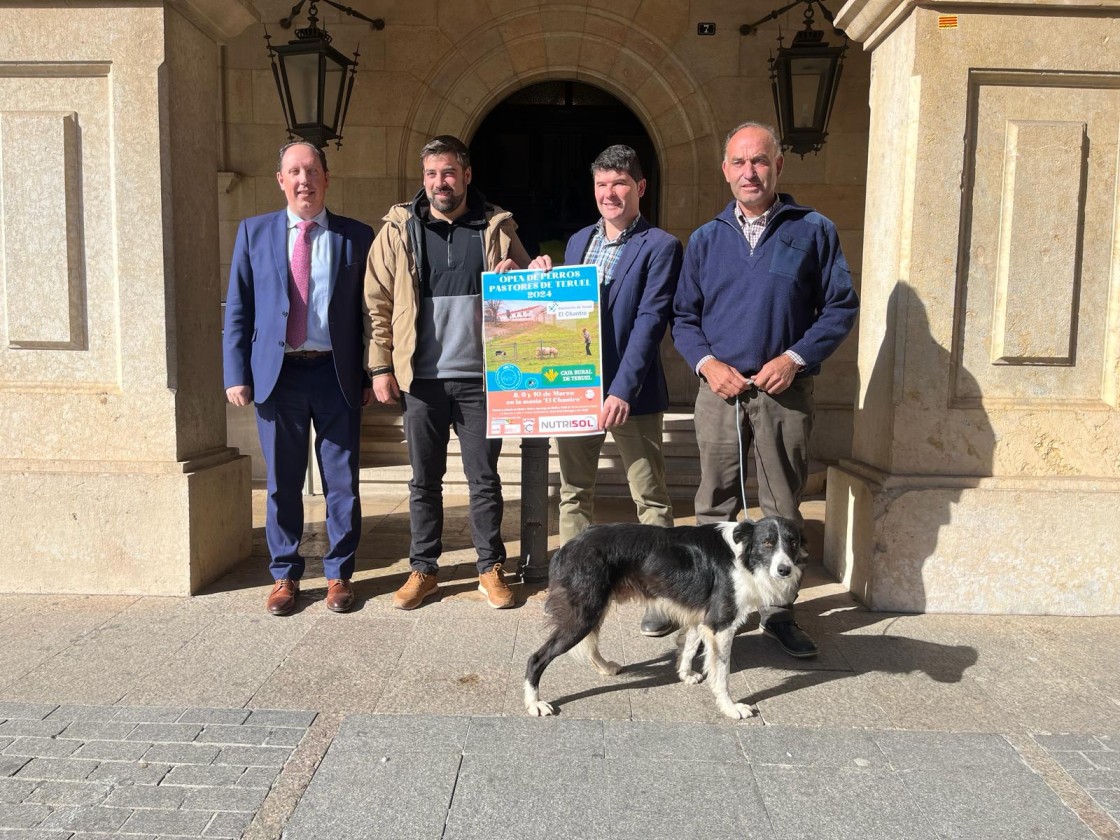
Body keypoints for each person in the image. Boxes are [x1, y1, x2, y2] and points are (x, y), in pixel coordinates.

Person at [672, 122, 859, 657]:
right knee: (715, 503)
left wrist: (796, 358)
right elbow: (684, 317)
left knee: (782, 505)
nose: (748, 172)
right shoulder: (707, 239)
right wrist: (708, 364)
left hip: (784, 390)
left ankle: (779, 613)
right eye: (738, 162)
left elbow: (840, 306)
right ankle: (704, 602)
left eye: (759, 161)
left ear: (778, 165)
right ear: (725, 170)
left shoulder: (813, 229)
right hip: (721, 390)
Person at [363, 135, 530, 610]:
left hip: (483, 379)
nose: (441, 183)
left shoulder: (496, 226)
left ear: (467, 175)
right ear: (424, 178)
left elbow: (531, 290)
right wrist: (380, 365)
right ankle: (423, 570)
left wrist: (525, 269)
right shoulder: (398, 230)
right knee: (423, 481)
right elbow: (376, 303)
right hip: (422, 381)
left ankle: (489, 568)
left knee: (484, 479)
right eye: (432, 174)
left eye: (449, 173)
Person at [528, 145, 682, 637]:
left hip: (630, 395)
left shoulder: (660, 245)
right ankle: (575, 587)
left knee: (650, 497)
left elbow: (649, 322)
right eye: (601, 185)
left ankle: (661, 593)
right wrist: (539, 284)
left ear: (640, 187)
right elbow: (565, 315)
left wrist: (621, 389)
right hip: (574, 390)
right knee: (574, 493)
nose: (609, 194)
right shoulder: (577, 242)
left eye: (618, 184)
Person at [224, 140, 374, 616]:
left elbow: (372, 313)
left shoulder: (357, 236)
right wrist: (236, 372)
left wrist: (373, 372)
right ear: (281, 181)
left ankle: (338, 575)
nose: (304, 179)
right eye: (294, 171)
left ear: (327, 178)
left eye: (312, 170)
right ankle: (285, 575)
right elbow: (239, 308)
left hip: (336, 374)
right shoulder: (254, 232)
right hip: (278, 375)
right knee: (282, 482)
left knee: (341, 482)